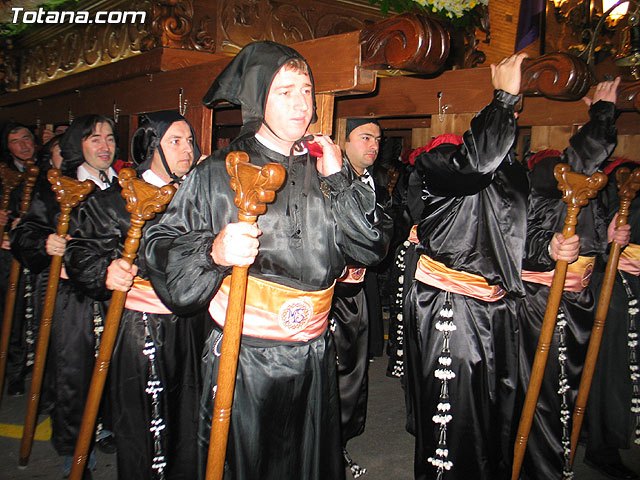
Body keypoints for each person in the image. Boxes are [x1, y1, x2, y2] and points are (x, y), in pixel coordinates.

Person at [144, 40, 391, 480]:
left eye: (307, 90)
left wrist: (338, 182)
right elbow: (158, 244)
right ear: (259, 98)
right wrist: (211, 251)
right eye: (285, 91)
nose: (302, 104)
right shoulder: (218, 171)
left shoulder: (329, 167)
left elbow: (370, 248)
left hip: (315, 353)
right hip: (246, 357)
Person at [403, 52, 529, 480]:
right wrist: (505, 100)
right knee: (454, 419)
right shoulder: (438, 165)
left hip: (492, 307)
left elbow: (508, 229)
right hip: (452, 309)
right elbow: (474, 165)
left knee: (490, 415)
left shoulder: (501, 170)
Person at [65, 110, 206, 480]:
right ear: (151, 147)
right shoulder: (114, 200)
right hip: (141, 329)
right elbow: (79, 251)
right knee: (146, 423)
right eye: (175, 141)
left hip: (193, 326)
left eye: (189, 140)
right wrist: (105, 271)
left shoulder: (199, 196)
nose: (186, 150)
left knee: (191, 417)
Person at [517, 77, 628, 480]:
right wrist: (601, 116)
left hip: (577, 302)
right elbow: (577, 171)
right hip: (540, 303)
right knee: (544, 393)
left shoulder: (583, 184)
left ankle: (560, 459)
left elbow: (585, 223)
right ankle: (541, 469)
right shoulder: (545, 171)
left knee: (567, 389)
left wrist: (608, 236)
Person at [14, 114, 118, 478]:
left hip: (115, 294)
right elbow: (24, 235)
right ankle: (75, 455)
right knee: (74, 373)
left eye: (109, 138)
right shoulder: (57, 185)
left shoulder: (122, 184)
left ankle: (104, 425)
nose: (104, 146)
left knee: (114, 366)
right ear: (78, 144)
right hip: (71, 297)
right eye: (94, 139)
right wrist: (45, 242)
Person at [331, 118, 390, 477]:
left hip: (357, 288)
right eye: (365, 137)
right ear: (344, 141)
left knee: (353, 369)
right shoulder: (331, 181)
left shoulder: (373, 181)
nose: (374, 145)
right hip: (330, 293)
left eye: (378, 139)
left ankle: (340, 441)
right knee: (333, 373)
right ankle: (330, 448)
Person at [583, 156, 640, 480]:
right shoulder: (615, 180)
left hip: (620, 284)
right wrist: (607, 244)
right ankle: (600, 443)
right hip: (612, 286)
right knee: (610, 369)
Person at [1, 122, 38, 397]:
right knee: (11, 314)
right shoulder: (4, 175)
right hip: (7, 254)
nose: (23, 145)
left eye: (27, 138)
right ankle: (12, 372)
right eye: (15, 141)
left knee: (33, 311)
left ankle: (34, 365)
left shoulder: (50, 170)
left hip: (36, 253)